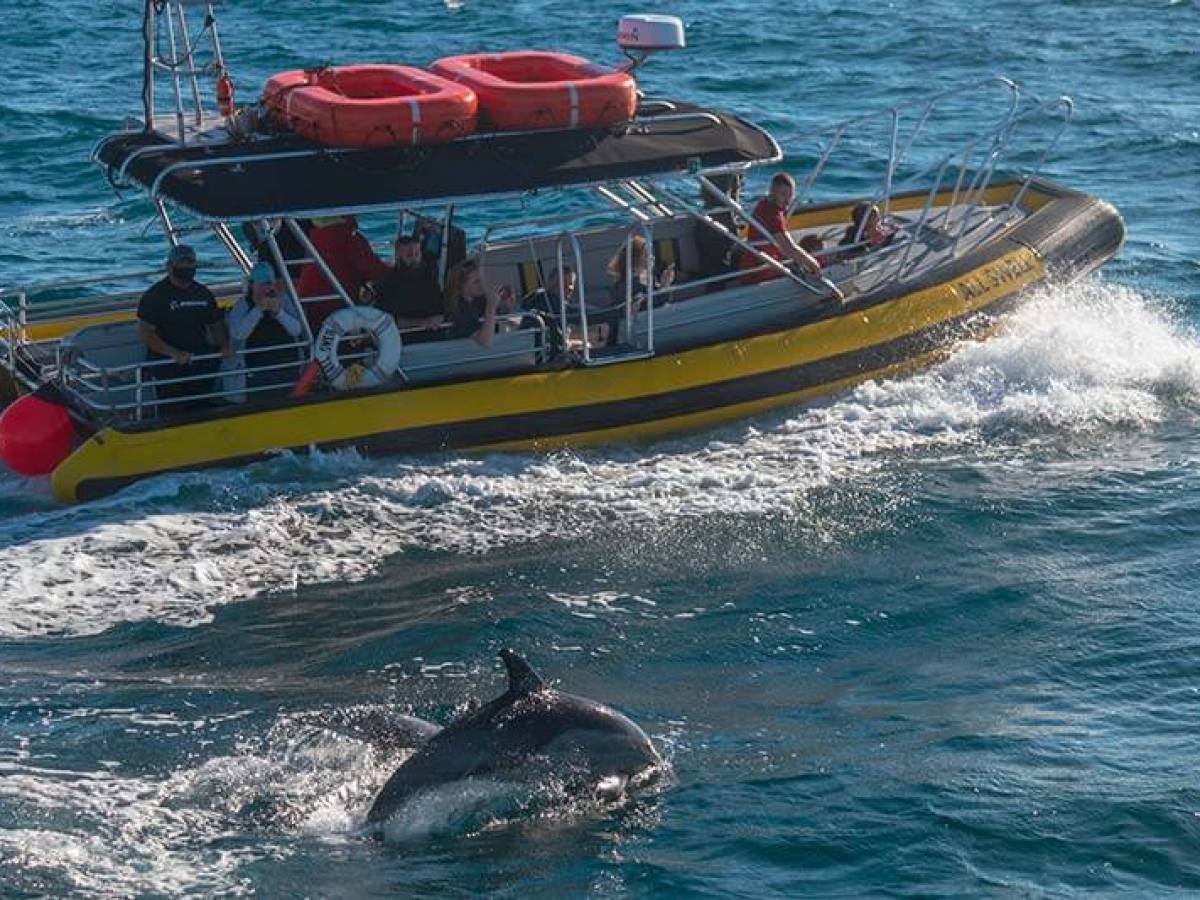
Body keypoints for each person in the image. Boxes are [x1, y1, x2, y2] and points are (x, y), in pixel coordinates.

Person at [137, 244, 233, 413]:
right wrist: (173, 353)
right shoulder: (156, 295)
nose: (187, 268)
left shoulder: (202, 293)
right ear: (170, 266)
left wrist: (224, 344)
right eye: (182, 263)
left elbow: (215, 323)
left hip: (198, 357)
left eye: (190, 263)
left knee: (201, 399)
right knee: (172, 406)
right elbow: (145, 332)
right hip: (167, 361)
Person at [295, 215, 390, 332]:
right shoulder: (349, 237)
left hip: (309, 303)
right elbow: (374, 270)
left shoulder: (314, 237)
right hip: (337, 305)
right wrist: (394, 271)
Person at [226, 261, 306, 400]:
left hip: (288, 367)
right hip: (257, 372)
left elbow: (297, 330)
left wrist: (279, 313)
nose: (266, 289)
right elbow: (238, 334)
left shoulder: (283, 300)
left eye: (269, 284)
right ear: (252, 285)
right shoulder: (243, 305)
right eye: (262, 284)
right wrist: (258, 311)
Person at [740, 172, 823, 284]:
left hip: (757, 261)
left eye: (790, 196)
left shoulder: (763, 204)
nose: (787, 201)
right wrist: (814, 264)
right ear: (773, 192)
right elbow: (789, 248)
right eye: (783, 195)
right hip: (760, 270)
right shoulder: (773, 216)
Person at [369, 235, 446, 337]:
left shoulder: (429, 279)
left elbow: (440, 308)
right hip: (402, 339)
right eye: (409, 256)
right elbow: (386, 320)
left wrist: (440, 318)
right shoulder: (388, 283)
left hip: (433, 336)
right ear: (398, 256)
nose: (414, 259)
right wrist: (421, 323)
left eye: (417, 254)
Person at [445, 258, 513, 348]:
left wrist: (505, 302)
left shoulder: (478, 300)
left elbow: (501, 316)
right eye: (476, 282)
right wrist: (490, 308)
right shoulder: (459, 308)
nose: (481, 285)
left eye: (481, 280)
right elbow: (485, 342)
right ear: (461, 285)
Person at [694, 173, 744, 291]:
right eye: (736, 188)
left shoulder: (704, 219)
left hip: (712, 267)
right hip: (719, 272)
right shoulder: (722, 219)